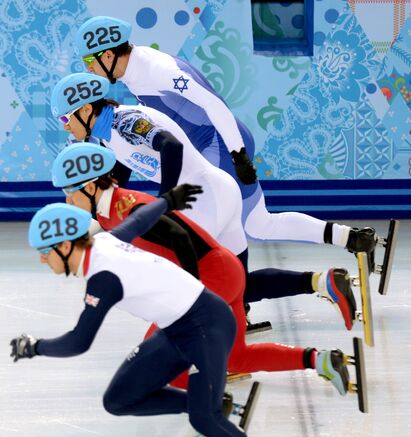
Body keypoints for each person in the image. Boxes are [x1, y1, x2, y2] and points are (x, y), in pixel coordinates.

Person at [9, 196, 286, 437]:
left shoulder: (103, 277)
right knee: (118, 399)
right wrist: (169, 200)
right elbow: (140, 220)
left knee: (204, 418)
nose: (43, 261)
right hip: (176, 330)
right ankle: (210, 404)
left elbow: (79, 341)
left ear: (66, 246)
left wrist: (34, 346)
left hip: (207, 325)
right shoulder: (105, 241)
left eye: (44, 252)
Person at [50, 73, 357, 333]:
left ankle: (189, 348)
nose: (65, 126)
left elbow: (169, 145)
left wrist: (165, 199)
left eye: (65, 118)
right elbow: (124, 170)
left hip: (201, 199)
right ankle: (324, 282)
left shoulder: (125, 121)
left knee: (188, 280)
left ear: (86, 109)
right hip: (219, 191)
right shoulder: (108, 135)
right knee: (238, 283)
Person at [51, 141, 353, 397]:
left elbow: (180, 237)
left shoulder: (128, 207)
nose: (67, 199)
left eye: (69, 191)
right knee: (237, 358)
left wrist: (191, 292)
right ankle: (322, 360)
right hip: (225, 271)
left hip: (211, 277)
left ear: (90, 186)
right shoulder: (106, 211)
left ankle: (212, 415)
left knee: (159, 357)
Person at [74, 16, 378, 259]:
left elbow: (212, 102)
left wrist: (238, 154)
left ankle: (227, 303)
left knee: (199, 228)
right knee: (259, 224)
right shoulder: (135, 71)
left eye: (89, 62)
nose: (88, 69)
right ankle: (351, 237)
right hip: (214, 146)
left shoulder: (156, 69)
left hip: (220, 144)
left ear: (109, 55)